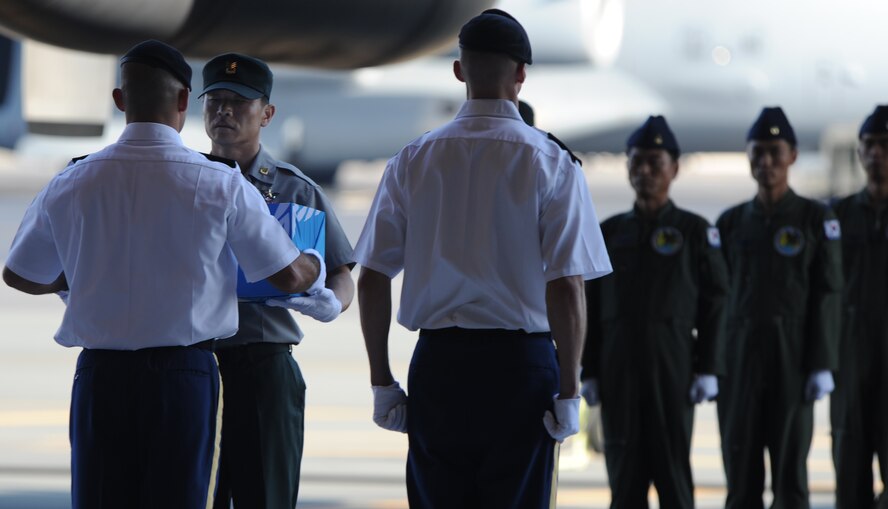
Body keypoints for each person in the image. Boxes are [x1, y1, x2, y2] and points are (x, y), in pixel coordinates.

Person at [2, 40, 324, 509]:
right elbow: (290, 278)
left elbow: (20, 274)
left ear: (119, 100)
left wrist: (83, 274)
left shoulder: (73, 180)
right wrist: (313, 262)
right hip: (183, 378)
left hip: (100, 376)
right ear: (181, 102)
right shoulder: (219, 181)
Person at [353, 9, 612, 508]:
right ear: (521, 75)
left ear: (458, 70)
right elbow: (567, 285)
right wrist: (568, 390)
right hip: (520, 370)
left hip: (440, 368)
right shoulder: (551, 161)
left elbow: (373, 276)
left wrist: (382, 381)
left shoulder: (413, 158)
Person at [199, 53, 356, 508]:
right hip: (193, 359)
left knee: (264, 495)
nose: (224, 111)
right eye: (216, 101)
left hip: (262, 364)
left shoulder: (295, 189)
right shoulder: (185, 179)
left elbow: (342, 272)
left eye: (239, 102)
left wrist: (333, 302)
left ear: (266, 114)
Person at [581, 115, 728, 508]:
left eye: (654, 163)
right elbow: (589, 307)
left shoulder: (696, 232)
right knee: (624, 479)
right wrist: (588, 369)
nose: (644, 171)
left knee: (673, 477)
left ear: (674, 168)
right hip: (618, 370)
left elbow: (716, 304)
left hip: (672, 368)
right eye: (636, 162)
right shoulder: (608, 233)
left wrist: (709, 368)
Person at [716, 106, 842, 508]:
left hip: (793, 361)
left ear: (793, 155)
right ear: (748, 156)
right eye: (758, 152)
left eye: (775, 151)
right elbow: (716, 300)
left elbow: (829, 291)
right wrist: (711, 363)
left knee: (790, 480)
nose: (766, 161)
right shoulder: (730, 223)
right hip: (739, 362)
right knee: (740, 478)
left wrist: (822, 362)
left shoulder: (815, 218)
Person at [830, 104, 888, 509]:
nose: (876, 155)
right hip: (849, 358)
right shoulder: (837, 217)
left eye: (885, 146)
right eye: (869, 146)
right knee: (850, 476)